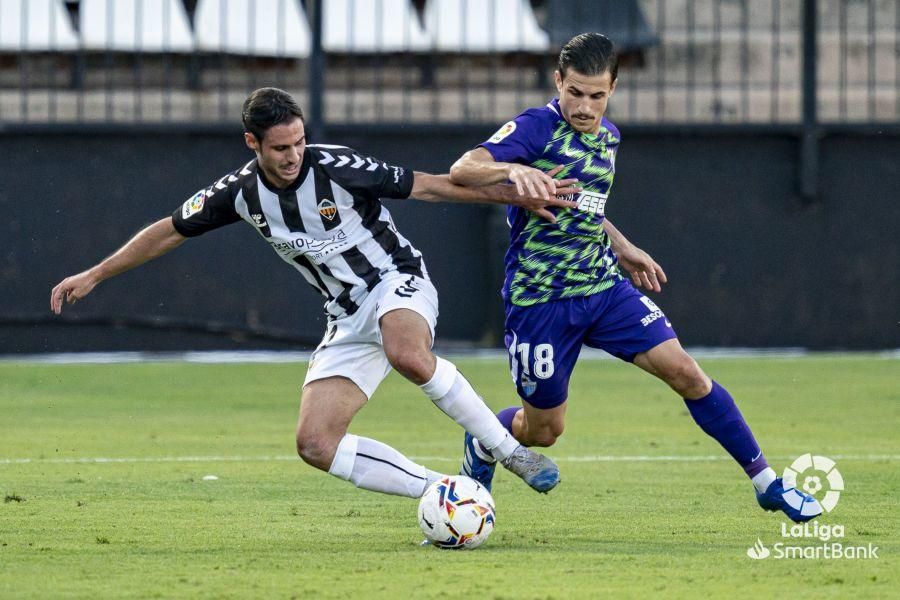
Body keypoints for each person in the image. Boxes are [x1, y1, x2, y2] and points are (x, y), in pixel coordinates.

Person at [50, 87, 576, 501]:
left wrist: (512, 195)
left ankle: (510, 452)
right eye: (281, 147)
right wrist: (95, 274)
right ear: (252, 144)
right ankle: (446, 491)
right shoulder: (239, 194)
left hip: (396, 281)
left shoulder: (337, 167)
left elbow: (432, 185)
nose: (294, 155)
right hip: (345, 317)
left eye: (300, 142)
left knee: (409, 353)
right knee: (314, 445)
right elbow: (167, 230)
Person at [449, 34, 822, 523]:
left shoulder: (609, 138)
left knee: (686, 372)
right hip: (540, 301)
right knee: (542, 431)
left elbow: (584, 204)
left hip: (603, 289)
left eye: (596, 95)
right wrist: (516, 171)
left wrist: (621, 245)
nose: (584, 107)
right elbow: (462, 170)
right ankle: (485, 439)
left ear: (613, 89)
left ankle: (767, 483)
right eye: (575, 92)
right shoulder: (536, 128)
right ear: (557, 81)